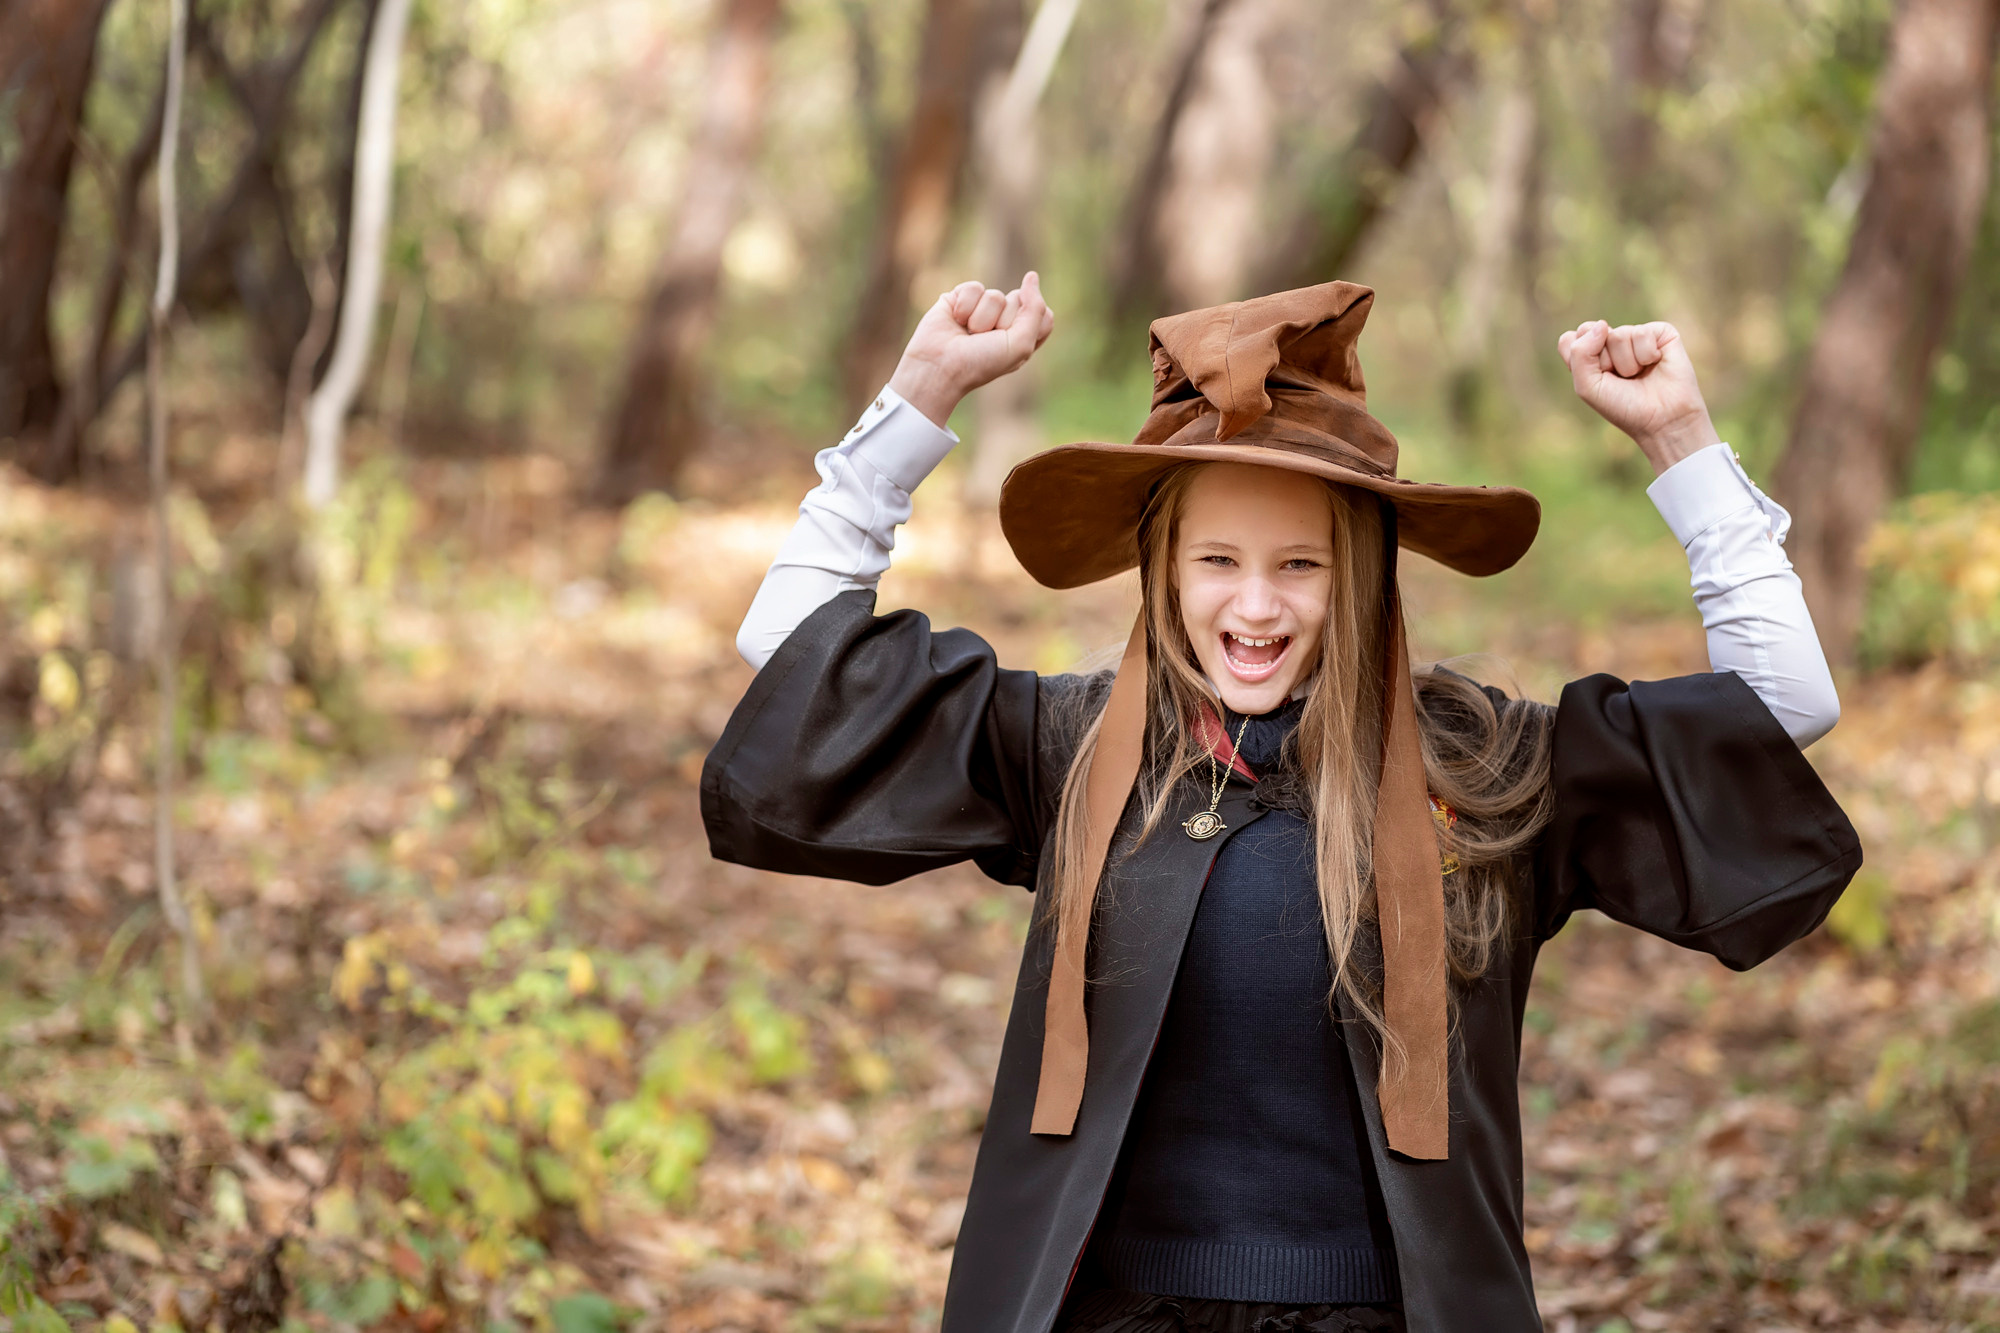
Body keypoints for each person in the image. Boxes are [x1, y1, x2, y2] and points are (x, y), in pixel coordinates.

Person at [702, 273, 1860, 1333]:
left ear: (1356, 571)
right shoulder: (1069, 745)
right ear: (1161, 569)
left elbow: (1779, 703)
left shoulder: (1484, 764)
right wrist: (918, 398)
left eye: (1298, 564)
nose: (1255, 607)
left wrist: (1678, 440)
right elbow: (793, 654)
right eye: (1216, 561)